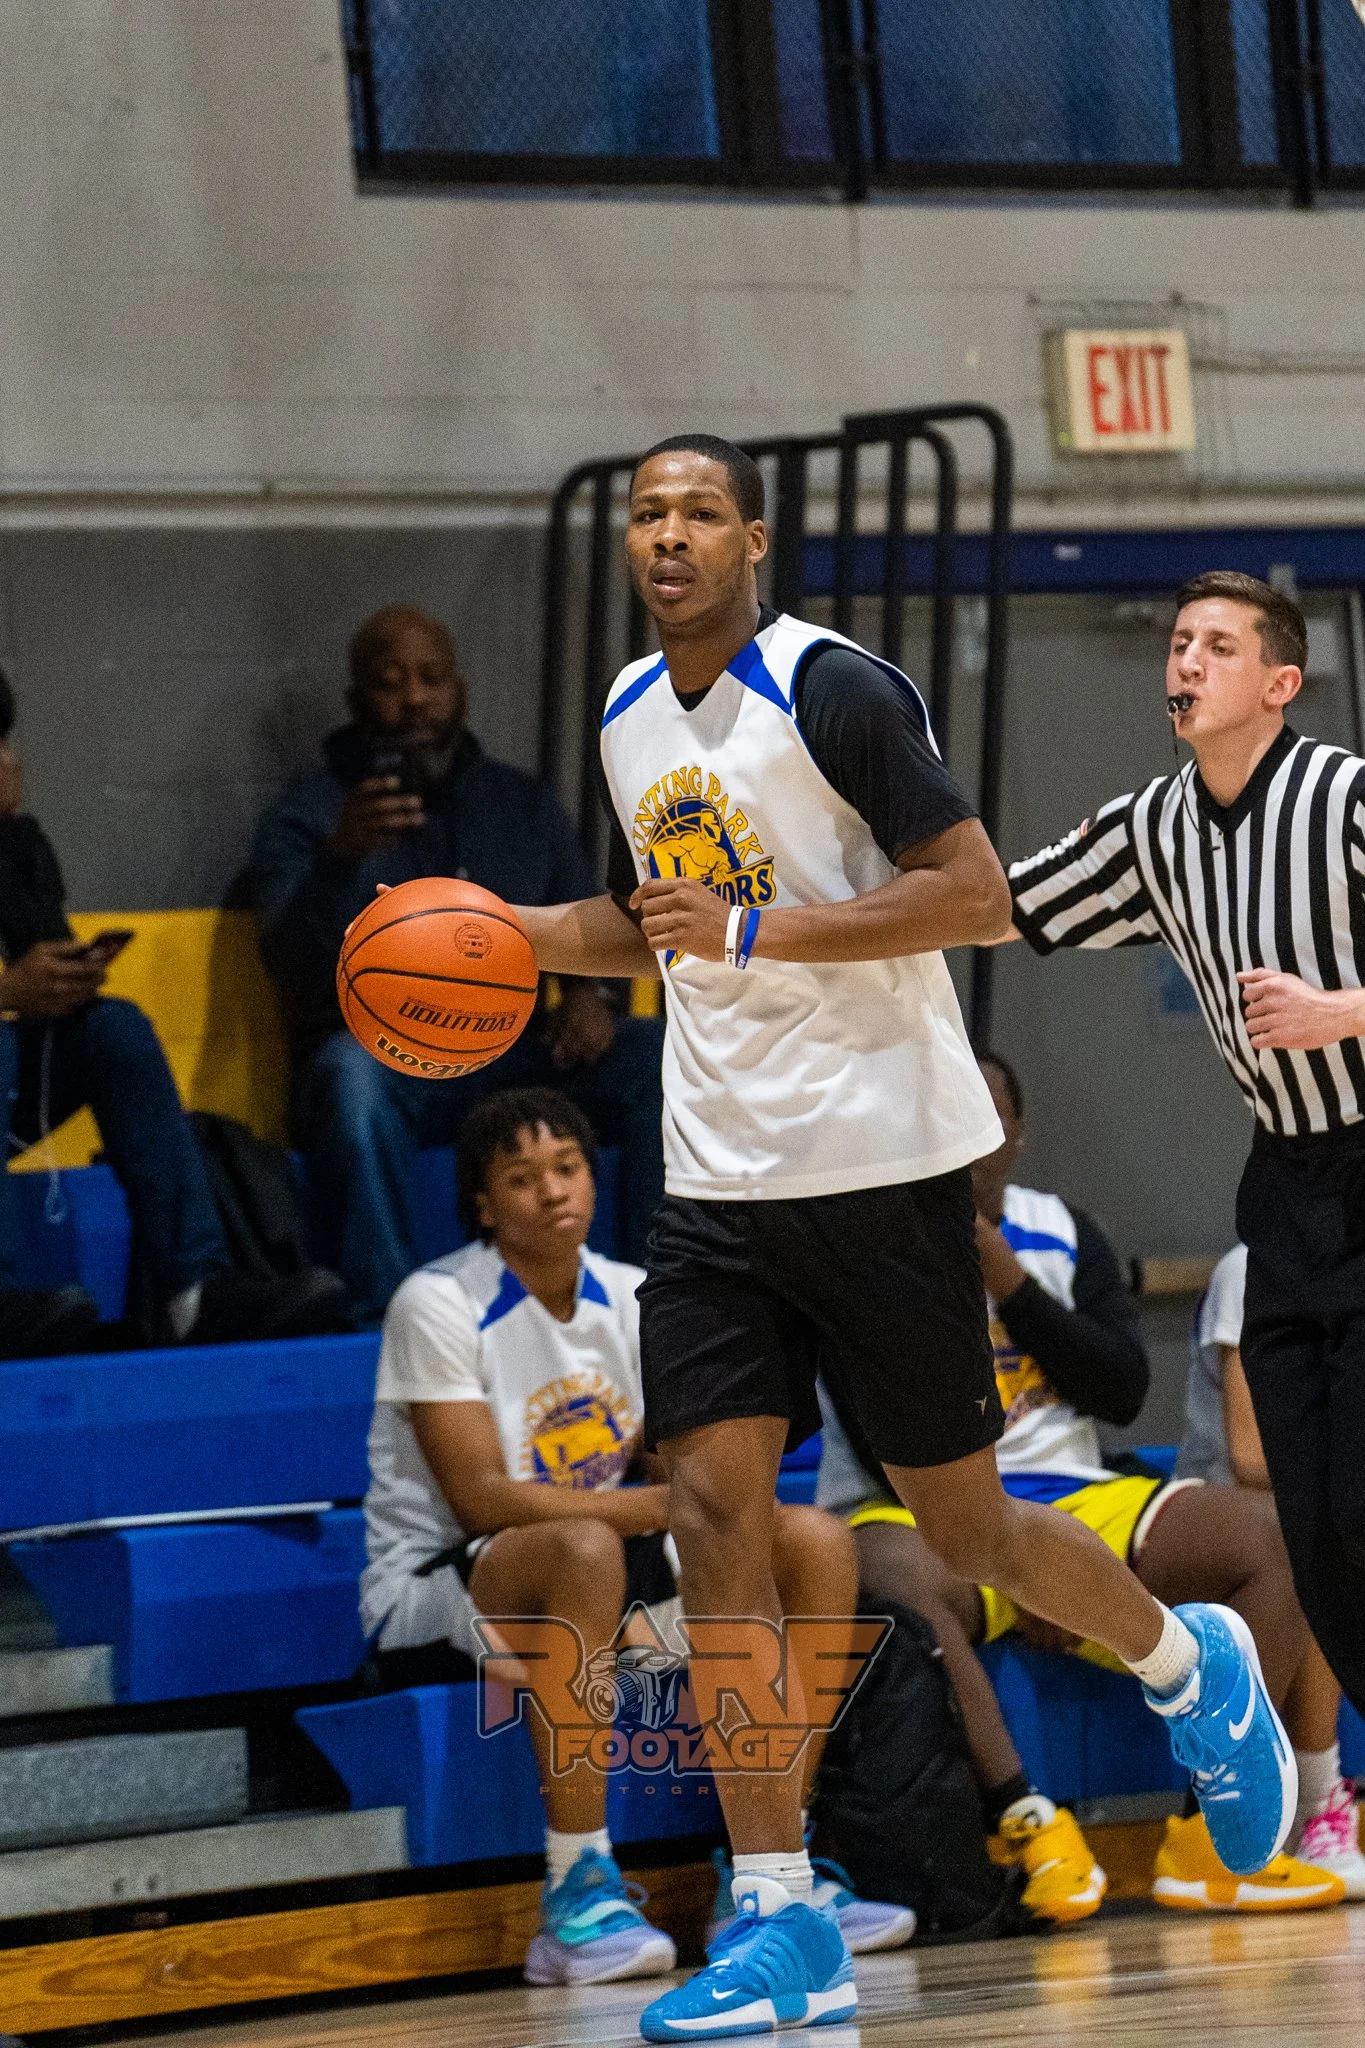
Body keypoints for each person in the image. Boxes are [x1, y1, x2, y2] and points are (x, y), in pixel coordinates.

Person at [511, 437, 1296, 2043]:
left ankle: (1182, 1662)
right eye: (648, 515)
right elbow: (651, 923)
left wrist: (759, 928)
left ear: (754, 540)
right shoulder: (625, 711)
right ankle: (780, 1913)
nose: (667, 536)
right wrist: (497, 934)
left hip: (880, 1167)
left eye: (699, 513)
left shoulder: (835, 691)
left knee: (968, 1530)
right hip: (714, 1184)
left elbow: (973, 893)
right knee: (716, 1522)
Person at [359, 1087, 901, 1986]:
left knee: (812, 1541)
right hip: (438, 1583)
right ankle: (575, 1890)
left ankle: (773, 1875)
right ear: (483, 1205)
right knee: (584, 1548)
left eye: (567, 1167)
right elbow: (480, 1500)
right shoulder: (438, 1301)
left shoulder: (629, 1293)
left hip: (604, 1563)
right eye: (521, 1178)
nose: (552, 1190)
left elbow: (671, 1461)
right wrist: (667, 1510)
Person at [820, 1051, 1362, 1915]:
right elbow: (874, 1430)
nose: (964, 1140)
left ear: (1015, 1135)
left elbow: (1119, 1388)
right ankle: (1028, 1822)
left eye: (984, 1118)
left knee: (1275, 1534)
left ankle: (1210, 1835)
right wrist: (1021, 1560)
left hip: (1076, 1491)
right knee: (886, 1572)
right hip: (923, 1508)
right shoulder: (866, 1245)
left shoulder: (1064, 1230)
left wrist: (1005, 1278)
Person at [1007, 569, 1365, 1728]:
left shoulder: (1346, 798)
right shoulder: (1152, 827)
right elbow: (1002, 905)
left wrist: (1341, 1011)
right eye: (1178, 643)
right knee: (1316, 1533)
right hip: (1286, 1183)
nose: (1187, 661)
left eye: (1217, 644)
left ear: (1281, 681)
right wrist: (784, 928)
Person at [249, 605, 665, 1318]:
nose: (414, 698)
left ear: (459, 690)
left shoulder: (519, 802)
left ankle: (657, 1294)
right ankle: (387, 1315)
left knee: (659, 1054)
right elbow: (285, 959)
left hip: (516, 1048)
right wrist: (338, 860)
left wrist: (590, 996)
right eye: (390, 683)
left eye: (431, 678)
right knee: (350, 1080)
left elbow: (590, 922)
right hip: (387, 1055)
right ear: (356, 700)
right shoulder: (311, 811)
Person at [0, 668, 345, 1357]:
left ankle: (192, 1292)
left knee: (113, 1029)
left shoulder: (16, 841)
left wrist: (62, 971)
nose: (9, 761)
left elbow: (40, 954)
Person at [1179, 1242, 1363, 1887]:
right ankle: (1318, 1803)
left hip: (1317, 1504)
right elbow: (1252, 1458)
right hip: (1216, 1512)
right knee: (1315, 1537)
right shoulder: (1250, 1269)